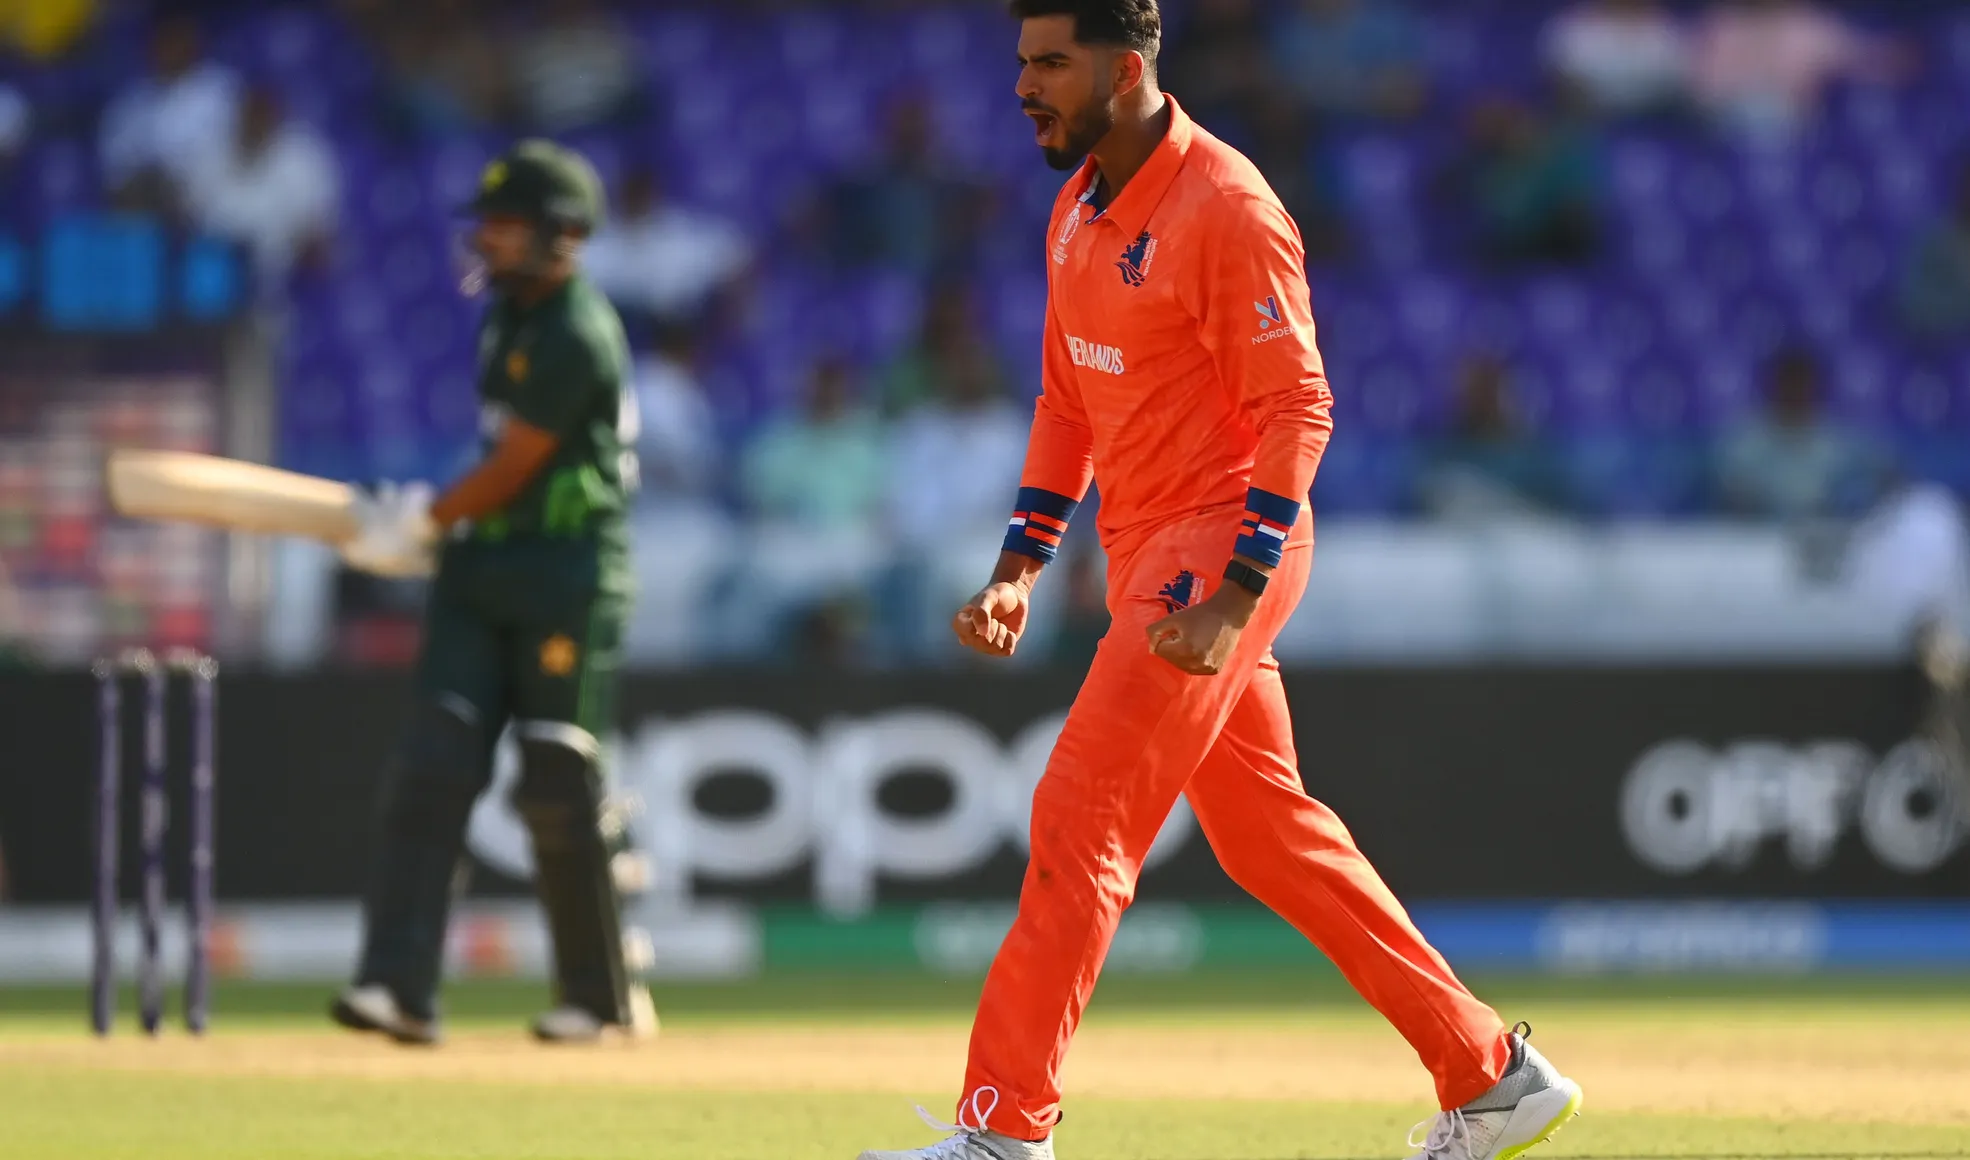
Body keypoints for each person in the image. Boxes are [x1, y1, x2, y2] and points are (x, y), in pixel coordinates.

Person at [856, 4, 1581, 1160]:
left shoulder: (1225, 205)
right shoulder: (1077, 205)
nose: (1024, 85)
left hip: (1215, 551)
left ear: (1123, 68)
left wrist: (1235, 593)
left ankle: (1002, 1128)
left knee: (1079, 816)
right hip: (1148, 552)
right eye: (1022, 62)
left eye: (1050, 63)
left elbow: (1300, 406)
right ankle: (1489, 1072)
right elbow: (1064, 403)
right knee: (1265, 835)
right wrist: (1019, 567)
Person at [328, 140, 655, 1046]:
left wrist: (423, 520)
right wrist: (442, 528)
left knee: (556, 780)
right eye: (488, 225)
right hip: (484, 571)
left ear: (563, 235)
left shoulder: (578, 332)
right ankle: (398, 987)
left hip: (567, 574)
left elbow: (516, 466)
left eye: (507, 226)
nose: (488, 241)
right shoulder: (506, 319)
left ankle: (599, 997)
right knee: (432, 767)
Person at [181, 86, 339, 281]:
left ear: (275, 119)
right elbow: (189, 215)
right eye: (249, 117)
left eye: (261, 118)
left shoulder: (302, 160)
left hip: (279, 269)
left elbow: (317, 230)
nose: (254, 125)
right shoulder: (210, 154)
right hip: (215, 264)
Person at [1712, 346, 1886, 521]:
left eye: (1802, 386)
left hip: (1824, 529)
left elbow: (1877, 476)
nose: (1795, 393)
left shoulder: (1837, 441)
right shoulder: (1747, 442)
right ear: (1774, 389)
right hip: (1761, 530)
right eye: (1788, 386)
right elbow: (1734, 493)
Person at [1420, 356, 1572, 519]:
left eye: (1487, 390)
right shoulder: (1446, 451)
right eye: (1474, 392)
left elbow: (1554, 506)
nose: (1481, 399)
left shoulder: (1536, 456)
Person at [1543, 0, 1690, 119]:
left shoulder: (1670, 33)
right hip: (1591, 125)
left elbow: (1677, 94)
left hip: (1658, 125)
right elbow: (1567, 92)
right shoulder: (1570, 32)